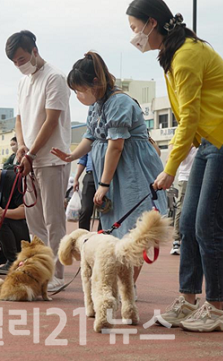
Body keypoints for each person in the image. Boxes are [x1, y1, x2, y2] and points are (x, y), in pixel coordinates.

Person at [127, 0, 223, 332]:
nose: (133, 36)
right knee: (188, 222)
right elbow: (191, 119)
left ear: (151, 24)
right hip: (212, 141)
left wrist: (169, 168)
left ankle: (217, 309)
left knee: (207, 223)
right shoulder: (175, 54)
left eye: (133, 28)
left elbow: (189, 118)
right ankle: (188, 301)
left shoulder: (185, 55)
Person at [52, 51, 168, 291]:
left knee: (132, 231)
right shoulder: (97, 105)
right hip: (114, 174)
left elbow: (115, 146)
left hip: (131, 172)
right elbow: (91, 136)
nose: (78, 95)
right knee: (114, 231)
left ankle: (128, 286)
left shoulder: (119, 102)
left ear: (95, 82)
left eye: (79, 89)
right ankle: (121, 286)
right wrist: (73, 156)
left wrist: (102, 184)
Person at [6, 30, 72, 291]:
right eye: (15, 62)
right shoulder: (23, 83)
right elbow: (20, 119)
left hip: (51, 160)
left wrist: (32, 153)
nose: (19, 65)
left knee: (53, 220)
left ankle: (56, 274)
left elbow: (51, 119)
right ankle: (40, 268)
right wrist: (22, 147)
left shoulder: (55, 77)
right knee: (34, 221)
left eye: (22, 58)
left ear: (34, 50)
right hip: (29, 160)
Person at [170, 146, 197, 255]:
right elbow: (173, 155)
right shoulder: (182, 134)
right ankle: (176, 240)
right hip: (185, 177)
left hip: (202, 176)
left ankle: (195, 240)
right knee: (181, 208)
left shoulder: (205, 133)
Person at [74, 153, 101, 231]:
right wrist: (76, 178)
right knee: (86, 209)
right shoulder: (89, 141)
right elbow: (82, 160)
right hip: (90, 175)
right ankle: (82, 236)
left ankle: (102, 237)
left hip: (107, 176)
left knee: (104, 212)